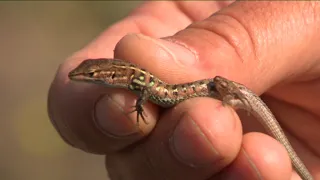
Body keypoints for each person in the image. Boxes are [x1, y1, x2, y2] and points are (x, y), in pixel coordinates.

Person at [48, 1, 319, 179]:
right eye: (90, 74)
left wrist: (141, 105)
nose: (88, 78)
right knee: (206, 133)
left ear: (109, 74)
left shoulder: (134, 78)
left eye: (93, 75)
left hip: (213, 86)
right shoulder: (129, 79)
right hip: (199, 92)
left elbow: (145, 91)